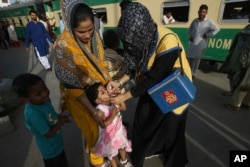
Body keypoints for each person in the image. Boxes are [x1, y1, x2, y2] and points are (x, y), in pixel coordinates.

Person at [107, 2, 192, 167]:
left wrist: (123, 96)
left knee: (172, 126)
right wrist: (118, 82)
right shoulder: (141, 40)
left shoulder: (168, 42)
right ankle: (145, 151)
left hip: (173, 90)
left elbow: (153, 78)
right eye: (126, 43)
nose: (129, 47)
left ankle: (176, 161)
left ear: (142, 31)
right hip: (150, 86)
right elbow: (135, 66)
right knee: (143, 120)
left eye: (131, 43)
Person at [54, 1, 111, 167]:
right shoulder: (63, 47)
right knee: (94, 131)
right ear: (70, 27)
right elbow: (73, 88)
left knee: (98, 129)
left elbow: (101, 63)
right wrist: (93, 111)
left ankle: (93, 149)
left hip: (95, 92)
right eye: (81, 32)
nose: (87, 35)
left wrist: (109, 85)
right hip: (78, 97)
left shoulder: (95, 38)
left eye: (90, 29)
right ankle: (97, 162)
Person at [12, 73, 69, 167]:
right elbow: (48, 134)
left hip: (57, 144)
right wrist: (60, 122)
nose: (45, 93)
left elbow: (51, 115)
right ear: (25, 99)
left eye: (45, 88)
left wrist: (59, 118)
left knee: (63, 162)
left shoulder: (44, 100)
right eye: (39, 93)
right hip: (50, 149)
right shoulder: (33, 114)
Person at [85, 82, 132, 167]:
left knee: (122, 147)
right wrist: (113, 113)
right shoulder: (100, 110)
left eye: (105, 89)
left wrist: (120, 96)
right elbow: (104, 124)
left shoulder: (112, 101)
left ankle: (124, 161)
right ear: (98, 100)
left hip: (119, 132)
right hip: (110, 137)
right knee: (112, 154)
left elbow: (124, 107)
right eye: (102, 92)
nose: (106, 91)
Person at [224, 17, 250, 111]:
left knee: (244, 83)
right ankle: (246, 103)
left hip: (245, 61)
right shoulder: (247, 28)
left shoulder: (246, 31)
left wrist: (243, 62)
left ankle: (235, 104)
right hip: (243, 59)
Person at [187, 4, 220, 79]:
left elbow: (217, 28)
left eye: (203, 12)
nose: (201, 14)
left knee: (196, 60)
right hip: (192, 43)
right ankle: (188, 72)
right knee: (189, 58)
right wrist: (189, 37)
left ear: (206, 13)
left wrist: (208, 34)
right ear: (198, 12)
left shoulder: (209, 22)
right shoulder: (195, 21)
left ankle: (193, 74)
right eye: (200, 12)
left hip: (201, 44)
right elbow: (189, 29)